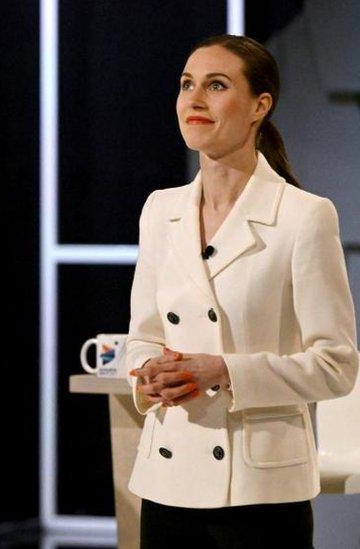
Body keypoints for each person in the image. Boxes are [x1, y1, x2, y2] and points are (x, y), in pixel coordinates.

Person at [125, 35, 358, 548]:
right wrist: (147, 373)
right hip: (168, 479)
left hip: (261, 490)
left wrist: (225, 370)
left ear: (260, 106)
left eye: (216, 85)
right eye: (187, 85)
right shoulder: (159, 210)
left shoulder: (304, 216)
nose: (195, 99)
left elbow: (336, 365)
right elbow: (141, 335)